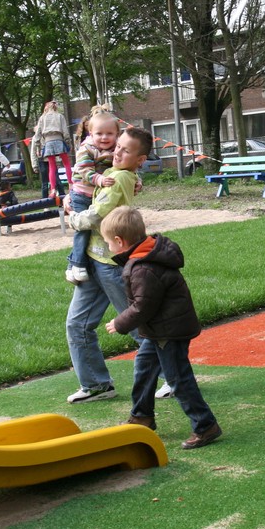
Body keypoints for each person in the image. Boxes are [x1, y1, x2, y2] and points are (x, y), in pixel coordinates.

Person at [102, 206, 223, 449]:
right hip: (159, 329)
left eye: (108, 243)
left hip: (169, 331)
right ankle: (142, 416)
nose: (108, 247)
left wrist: (120, 322)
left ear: (119, 241)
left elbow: (143, 306)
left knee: (178, 378)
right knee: (144, 367)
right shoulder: (146, 256)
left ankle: (205, 425)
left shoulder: (143, 268)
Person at [63, 126, 160, 403]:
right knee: (77, 324)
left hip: (111, 263)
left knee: (136, 325)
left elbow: (95, 216)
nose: (117, 153)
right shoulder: (112, 173)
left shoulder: (118, 179)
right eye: (118, 147)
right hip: (94, 259)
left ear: (140, 159)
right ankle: (96, 384)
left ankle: (174, 376)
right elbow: (88, 176)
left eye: (125, 151)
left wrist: (71, 216)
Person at [64, 110, 121, 284]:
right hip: (82, 194)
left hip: (98, 195)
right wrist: (100, 179)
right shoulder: (86, 149)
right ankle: (77, 264)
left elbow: (126, 167)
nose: (104, 137)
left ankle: (73, 265)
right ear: (90, 133)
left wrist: (136, 181)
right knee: (84, 228)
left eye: (109, 133)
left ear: (117, 134)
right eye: (99, 133)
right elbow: (84, 171)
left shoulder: (117, 149)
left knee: (97, 229)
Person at [32, 101, 73, 199]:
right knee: (66, 163)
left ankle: (53, 189)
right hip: (59, 140)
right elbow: (65, 132)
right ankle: (71, 185)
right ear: (55, 108)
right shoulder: (60, 116)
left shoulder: (42, 118)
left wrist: (38, 147)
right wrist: (68, 143)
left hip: (48, 142)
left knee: (52, 167)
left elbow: (37, 134)